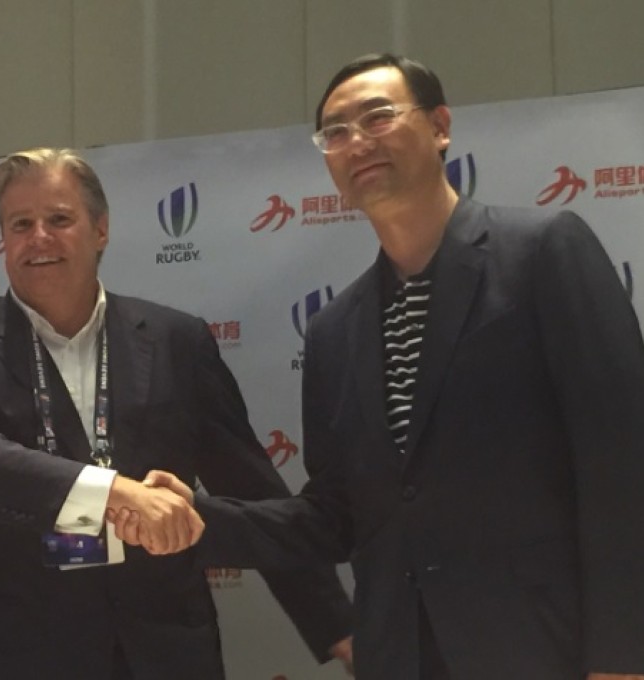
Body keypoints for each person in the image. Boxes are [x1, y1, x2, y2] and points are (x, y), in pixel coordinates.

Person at [122, 53, 644, 680]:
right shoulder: (334, 331)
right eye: (335, 132)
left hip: (543, 646)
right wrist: (198, 520)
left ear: (440, 125)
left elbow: (622, 463)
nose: (356, 142)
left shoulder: (542, 252)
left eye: (378, 116)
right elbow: (335, 516)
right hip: (402, 653)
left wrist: (623, 656)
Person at [0, 147, 353, 679]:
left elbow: (253, 490)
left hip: (164, 654)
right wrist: (115, 493)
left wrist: (337, 628)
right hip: (19, 654)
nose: (39, 238)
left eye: (59, 219)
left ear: (101, 230)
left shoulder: (175, 341)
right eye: (20, 224)